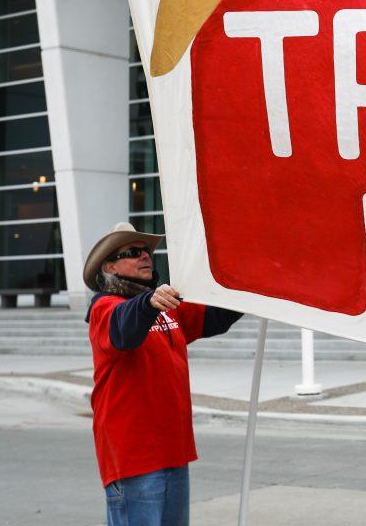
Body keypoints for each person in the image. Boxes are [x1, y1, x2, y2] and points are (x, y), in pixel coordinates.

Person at [83, 221, 243, 526]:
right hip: (135, 457)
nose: (145, 256)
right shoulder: (105, 307)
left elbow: (215, 317)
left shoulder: (166, 307)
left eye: (146, 251)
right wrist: (148, 302)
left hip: (172, 450)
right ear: (111, 267)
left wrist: (248, 293)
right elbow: (124, 328)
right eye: (133, 252)